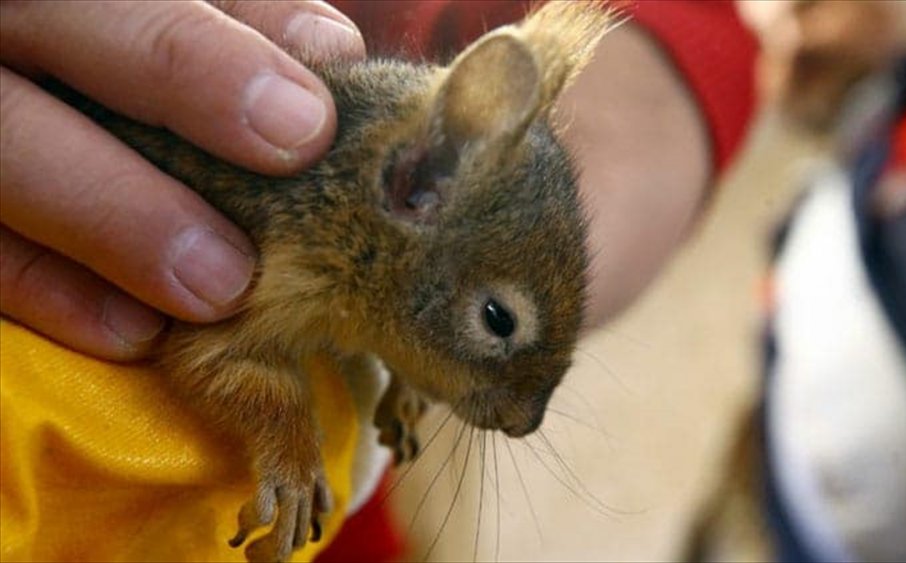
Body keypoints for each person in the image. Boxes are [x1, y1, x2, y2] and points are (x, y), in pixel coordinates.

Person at [0, 1, 756, 560]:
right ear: (415, 184)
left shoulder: (391, 252)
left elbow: (681, 37)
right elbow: (217, 350)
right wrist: (290, 448)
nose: (519, 422)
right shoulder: (317, 238)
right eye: (496, 321)